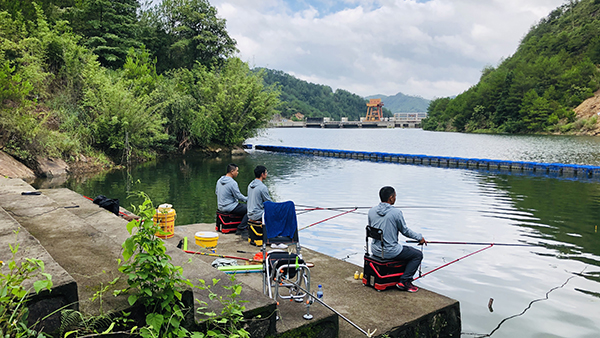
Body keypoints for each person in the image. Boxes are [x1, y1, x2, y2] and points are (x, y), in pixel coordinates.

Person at [368, 186, 427, 292]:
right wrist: (420, 238)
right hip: (389, 251)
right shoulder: (396, 213)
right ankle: (404, 281)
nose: (395, 198)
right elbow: (405, 231)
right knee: (417, 255)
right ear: (391, 198)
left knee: (404, 250)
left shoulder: (371, 211)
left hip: (375, 249)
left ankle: (399, 278)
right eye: (395, 196)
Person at [216, 163, 248, 237]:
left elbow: (217, 192)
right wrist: (249, 199)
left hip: (220, 206)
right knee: (250, 209)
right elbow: (239, 197)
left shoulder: (219, 180)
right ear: (232, 171)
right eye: (237, 171)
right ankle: (241, 228)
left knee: (242, 207)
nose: (237, 172)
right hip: (230, 207)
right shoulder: (232, 183)